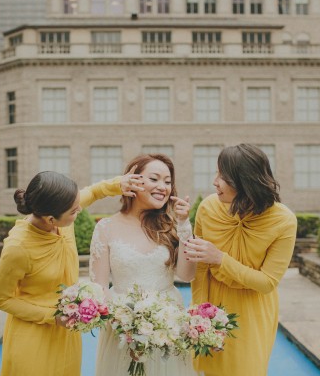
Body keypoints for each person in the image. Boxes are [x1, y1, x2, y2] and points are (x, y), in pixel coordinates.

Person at [0, 170, 143, 376]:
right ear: (51, 219)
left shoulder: (63, 214)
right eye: (73, 211)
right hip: (32, 337)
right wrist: (51, 317)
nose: (79, 209)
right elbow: (0, 298)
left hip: (67, 333)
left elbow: (94, 192)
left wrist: (119, 183)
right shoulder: (17, 248)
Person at [185, 143, 297, 376]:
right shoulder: (207, 207)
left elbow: (267, 282)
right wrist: (199, 314)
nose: (215, 181)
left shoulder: (284, 220)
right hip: (212, 307)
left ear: (245, 181)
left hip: (252, 311)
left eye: (223, 176)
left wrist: (221, 259)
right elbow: (201, 269)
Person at [89, 153, 197, 376]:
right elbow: (98, 287)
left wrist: (185, 225)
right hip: (123, 330)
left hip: (169, 325)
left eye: (168, 182)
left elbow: (187, 275)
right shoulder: (106, 228)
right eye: (155, 179)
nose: (163, 187)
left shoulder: (172, 226)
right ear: (133, 181)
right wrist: (127, 321)